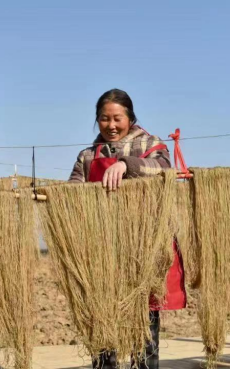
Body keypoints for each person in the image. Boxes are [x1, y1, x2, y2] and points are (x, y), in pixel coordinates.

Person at [68, 89, 187, 369]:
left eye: (117, 118)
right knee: (101, 317)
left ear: (130, 117)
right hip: (102, 251)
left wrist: (125, 164)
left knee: (144, 317)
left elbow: (163, 169)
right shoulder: (87, 155)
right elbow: (72, 190)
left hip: (142, 249)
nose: (111, 126)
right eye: (104, 119)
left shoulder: (151, 144)